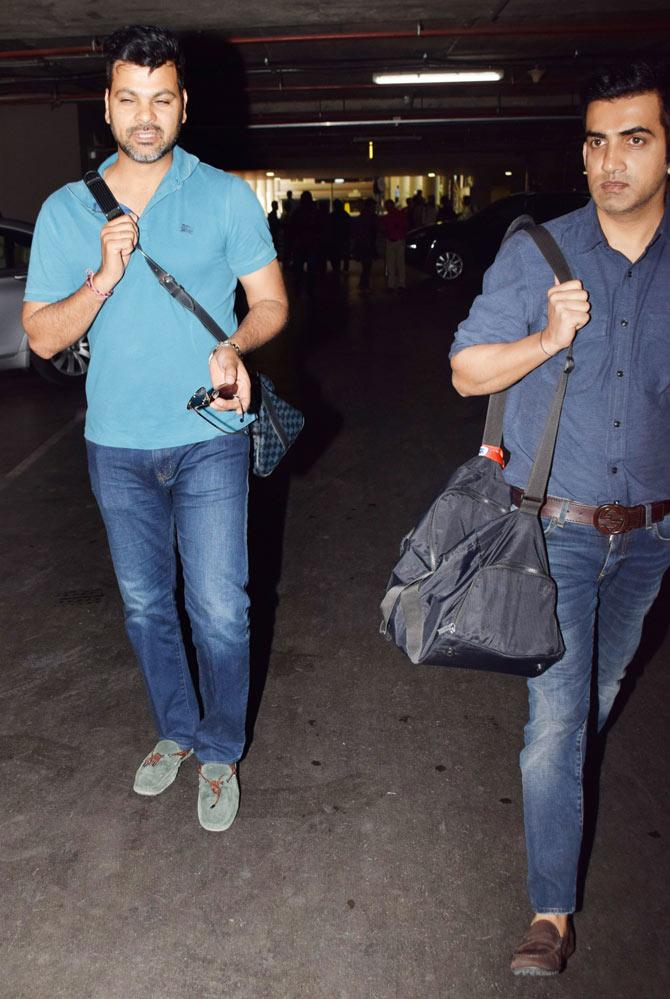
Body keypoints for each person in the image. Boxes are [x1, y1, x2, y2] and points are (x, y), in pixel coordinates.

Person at [22, 25, 288, 833]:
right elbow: (42, 336)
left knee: (221, 608)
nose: (146, 116)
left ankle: (220, 747)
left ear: (183, 105)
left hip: (210, 434)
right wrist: (102, 279)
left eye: (161, 99)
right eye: (130, 99)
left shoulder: (224, 196)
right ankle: (175, 727)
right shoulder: (66, 210)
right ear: (107, 106)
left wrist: (234, 343)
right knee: (145, 606)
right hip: (116, 445)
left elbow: (271, 302)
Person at [450, 61, 670, 976]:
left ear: (668, 151)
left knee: (592, 700)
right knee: (555, 721)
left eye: (635, 139)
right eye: (597, 142)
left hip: (652, 536)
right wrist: (547, 336)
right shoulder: (538, 252)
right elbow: (466, 370)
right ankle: (551, 914)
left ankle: (563, 770)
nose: (611, 160)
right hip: (559, 531)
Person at [378, 198, 407, 291]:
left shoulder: (388, 217)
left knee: (393, 264)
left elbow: (383, 229)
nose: (388, 208)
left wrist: (387, 231)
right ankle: (399, 284)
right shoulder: (399, 215)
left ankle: (393, 284)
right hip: (396, 240)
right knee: (398, 263)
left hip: (394, 241)